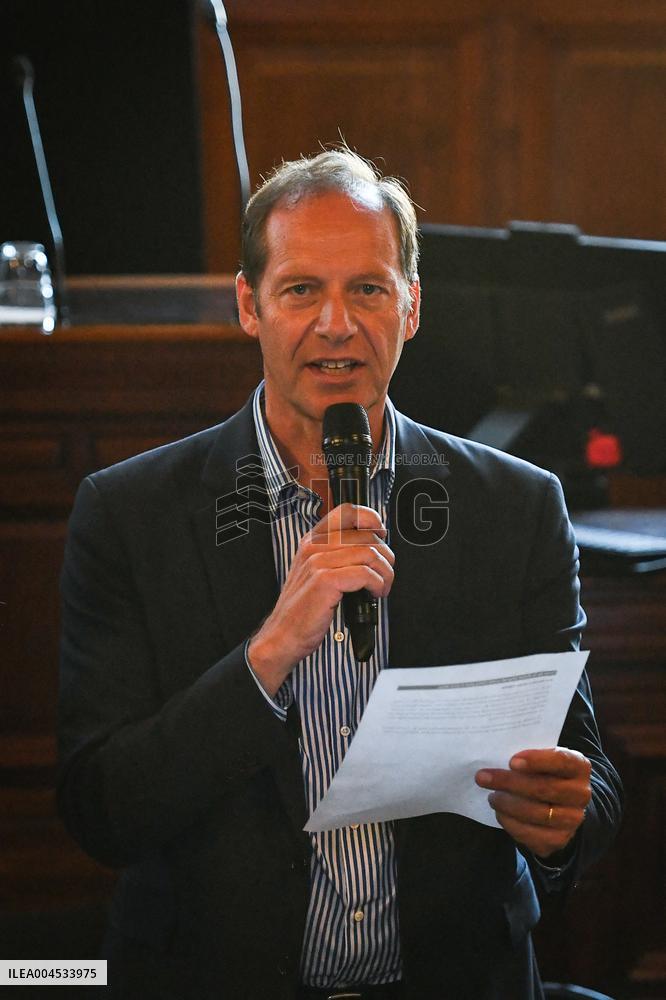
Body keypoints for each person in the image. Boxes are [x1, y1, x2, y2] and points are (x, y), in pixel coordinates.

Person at [57, 149, 622, 1000]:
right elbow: (102, 810)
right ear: (249, 305)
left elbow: (587, 779)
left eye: (367, 289)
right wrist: (271, 652)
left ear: (412, 306)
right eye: (300, 290)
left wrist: (564, 818)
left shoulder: (517, 506)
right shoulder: (130, 514)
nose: (336, 324)